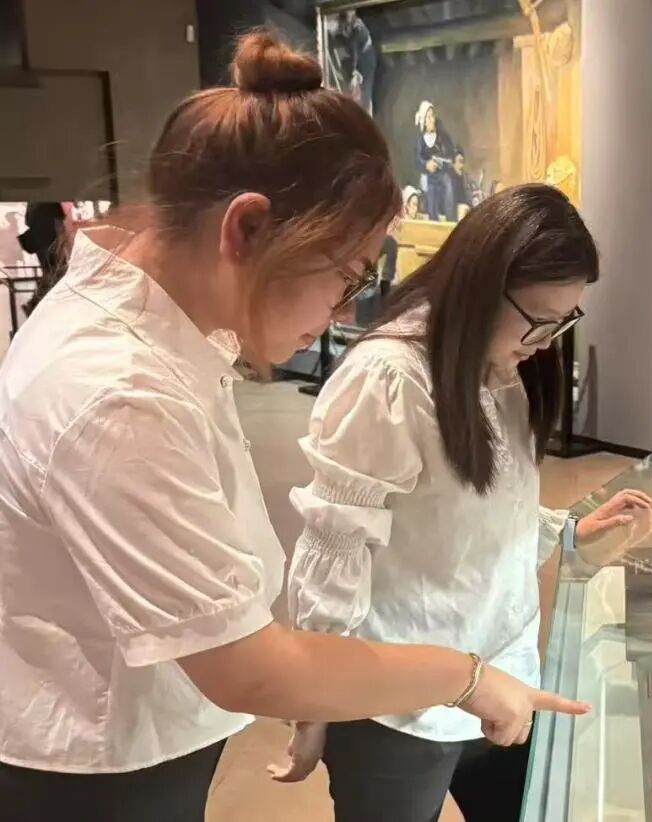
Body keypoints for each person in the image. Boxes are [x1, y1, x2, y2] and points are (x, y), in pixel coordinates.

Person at [0, 32, 587, 822]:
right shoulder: (119, 391)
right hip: (95, 754)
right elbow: (252, 667)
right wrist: (465, 676)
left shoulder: (148, 332)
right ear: (247, 229)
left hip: (129, 725)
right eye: (346, 276)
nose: (346, 309)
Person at [270, 184, 652, 822]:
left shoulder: (503, 369)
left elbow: (475, 512)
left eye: (565, 322)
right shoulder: (391, 377)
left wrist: (566, 532)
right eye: (540, 320)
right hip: (397, 700)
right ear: (481, 286)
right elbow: (333, 550)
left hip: (501, 673)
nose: (547, 340)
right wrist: (315, 706)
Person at [414, 101, 458, 221]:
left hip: (442, 173)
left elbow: (450, 154)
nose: (432, 120)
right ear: (424, 122)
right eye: (428, 117)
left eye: (432, 116)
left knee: (448, 188)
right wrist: (426, 164)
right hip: (429, 176)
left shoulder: (442, 137)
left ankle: (450, 220)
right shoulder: (421, 141)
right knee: (431, 198)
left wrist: (443, 161)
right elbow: (418, 160)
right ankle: (433, 220)